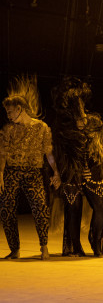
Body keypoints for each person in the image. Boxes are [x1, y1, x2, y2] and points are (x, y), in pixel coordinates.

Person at [0, 76, 60, 260]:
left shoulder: (41, 127)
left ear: (20, 109)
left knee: (40, 207)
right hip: (12, 171)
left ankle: (44, 246)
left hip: (33, 172)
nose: (8, 116)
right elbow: (3, 153)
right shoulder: (8, 129)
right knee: (6, 208)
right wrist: (0, 174)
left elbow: (48, 152)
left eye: (10, 112)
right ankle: (15, 249)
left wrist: (56, 171)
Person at [51, 77, 103, 257]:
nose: (81, 121)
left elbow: (102, 149)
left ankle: (96, 242)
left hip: (93, 173)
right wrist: (57, 174)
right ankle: (76, 246)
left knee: (100, 207)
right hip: (72, 174)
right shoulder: (62, 126)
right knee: (73, 208)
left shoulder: (95, 122)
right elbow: (57, 153)